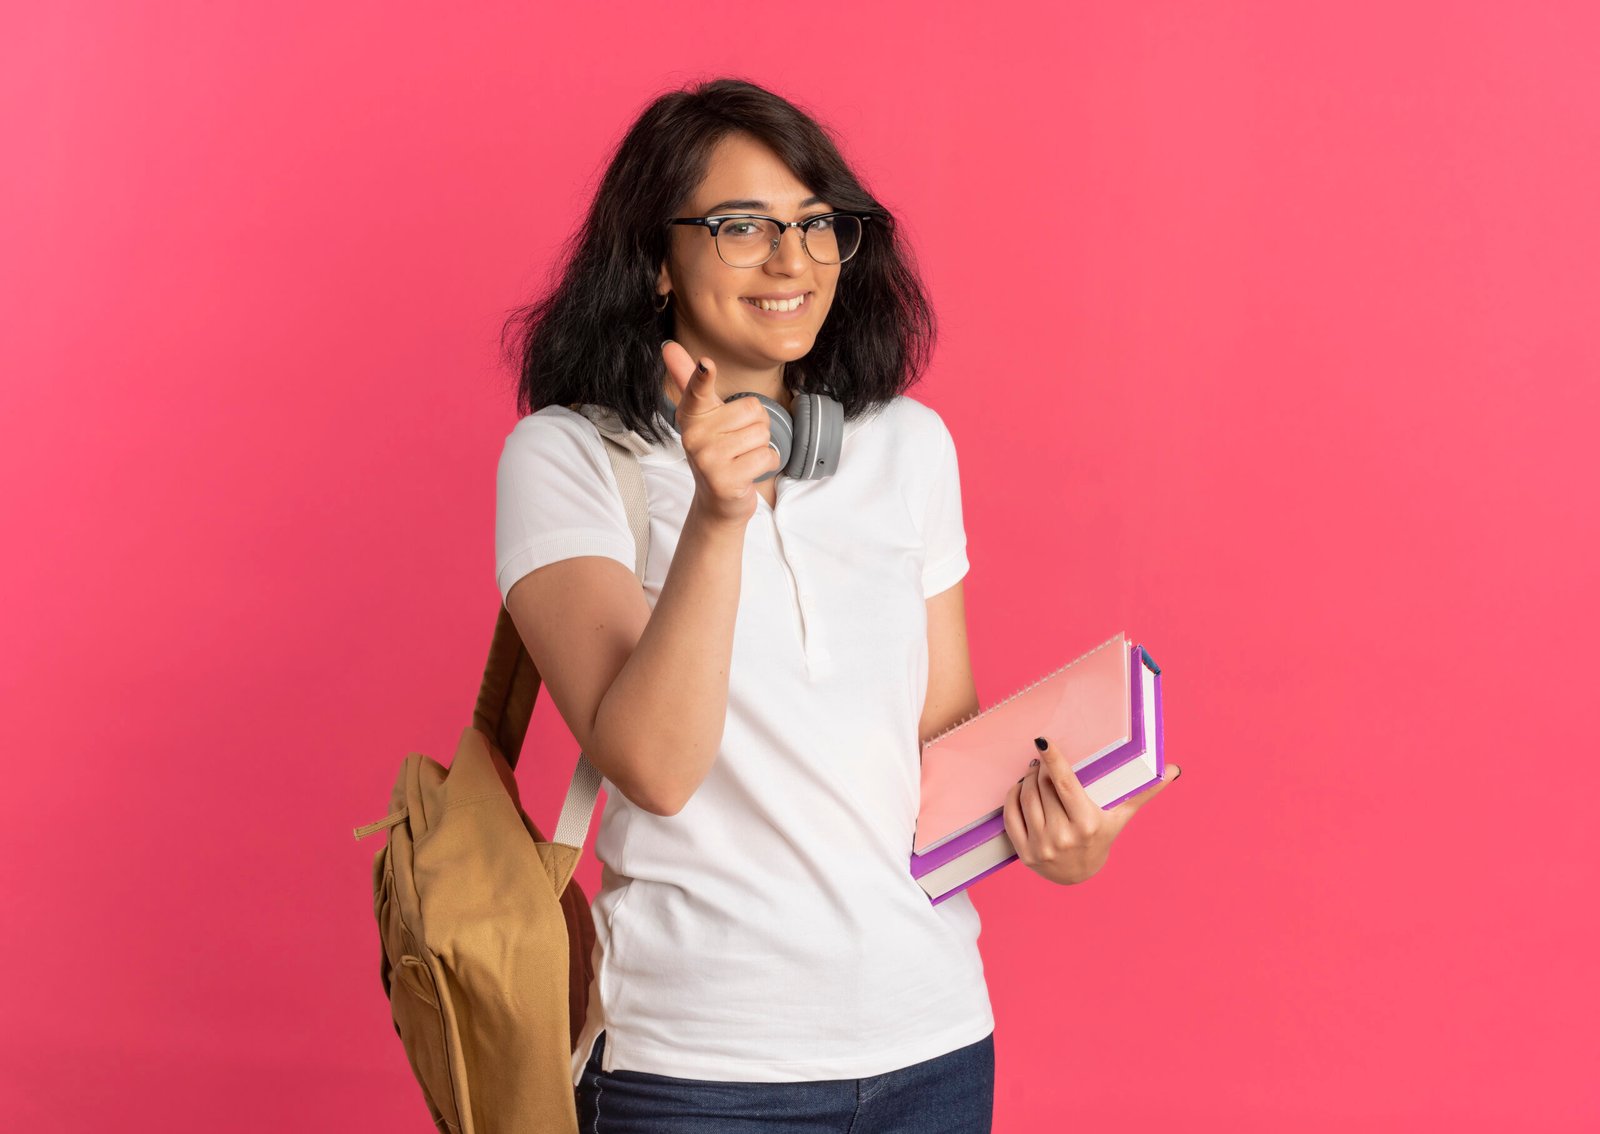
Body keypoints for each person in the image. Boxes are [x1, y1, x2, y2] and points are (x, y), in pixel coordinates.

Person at [494, 77, 995, 1133]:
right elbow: (656, 767)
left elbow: (941, 736)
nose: (793, 262)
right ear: (653, 259)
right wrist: (718, 520)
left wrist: (1051, 828)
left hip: (935, 1041)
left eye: (817, 225)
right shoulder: (572, 459)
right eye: (740, 226)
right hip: (697, 1069)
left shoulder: (909, 446)